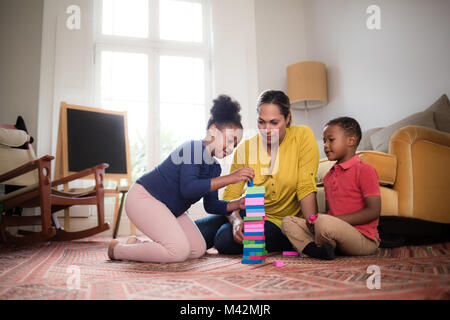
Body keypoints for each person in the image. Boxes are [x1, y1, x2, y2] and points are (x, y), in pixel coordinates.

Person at [107, 95, 255, 263]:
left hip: (169, 209)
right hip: (143, 198)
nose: (230, 149)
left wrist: (237, 203)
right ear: (213, 130)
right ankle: (118, 250)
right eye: (229, 141)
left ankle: (138, 245)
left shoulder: (215, 168)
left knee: (197, 249)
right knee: (178, 252)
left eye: (234, 145)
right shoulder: (193, 148)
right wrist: (232, 178)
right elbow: (189, 188)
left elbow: (211, 205)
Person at [195, 90, 320, 254]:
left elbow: (305, 188)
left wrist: (312, 231)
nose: (267, 129)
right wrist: (236, 220)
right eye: (261, 122)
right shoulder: (246, 148)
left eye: (274, 122)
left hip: (281, 223)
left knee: (224, 238)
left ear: (288, 118)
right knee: (197, 231)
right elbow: (230, 196)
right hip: (248, 212)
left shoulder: (303, 136)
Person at [281, 117, 381, 260]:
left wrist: (330, 220)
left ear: (351, 141)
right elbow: (330, 212)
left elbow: (373, 211)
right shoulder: (329, 176)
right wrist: (314, 220)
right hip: (332, 230)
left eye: (331, 140)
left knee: (324, 222)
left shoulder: (364, 170)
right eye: (324, 141)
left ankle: (323, 246)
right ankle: (317, 251)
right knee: (288, 222)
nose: (326, 145)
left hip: (363, 238)